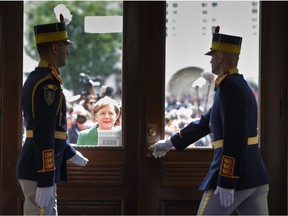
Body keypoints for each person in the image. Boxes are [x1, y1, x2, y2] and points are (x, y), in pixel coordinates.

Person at [149, 26, 269, 215]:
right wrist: (171, 142)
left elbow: (235, 136)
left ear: (220, 57)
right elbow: (207, 122)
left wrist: (228, 180)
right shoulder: (237, 85)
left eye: (212, 56)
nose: (211, 60)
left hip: (236, 178)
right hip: (254, 177)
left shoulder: (230, 87)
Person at [16, 14, 89, 215]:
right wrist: (46, 178)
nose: (68, 52)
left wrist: (69, 152)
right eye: (65, 46)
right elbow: (42, 131)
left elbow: (52, 130)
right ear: (55, 48)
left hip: (37, 165)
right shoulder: (47, 84)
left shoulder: (42, 79)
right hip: (38, 169)